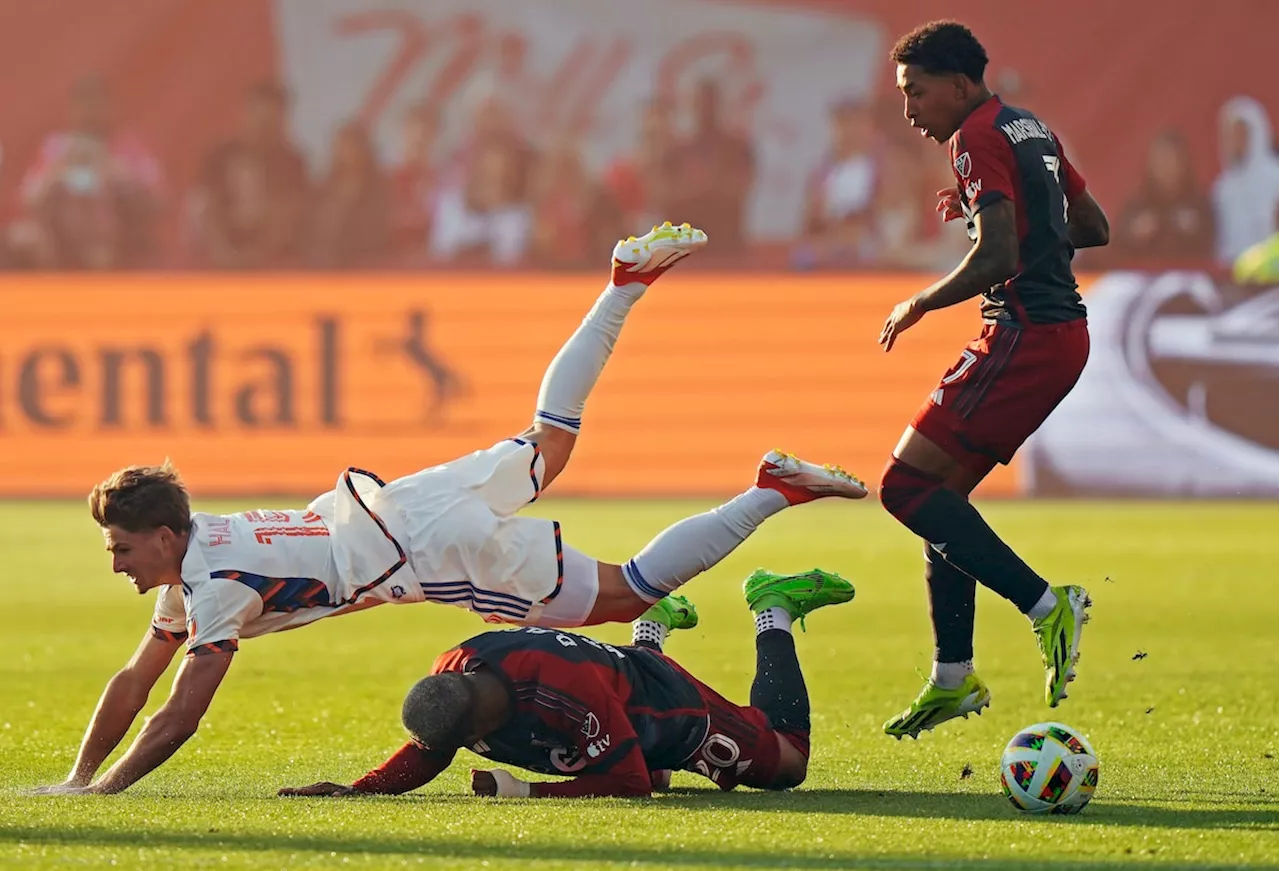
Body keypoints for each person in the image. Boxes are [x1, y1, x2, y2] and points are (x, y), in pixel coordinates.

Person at [29, 222, 868, 795]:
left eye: (123, 547)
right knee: (550, 440)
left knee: (632, 595)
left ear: (167, 534)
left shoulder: (213, 589)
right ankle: (624, 283)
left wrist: (104, 792)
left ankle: (772, 487)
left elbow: (178, 710)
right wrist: (79, 774)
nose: (117, 562)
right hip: (403, 501)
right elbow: (135, 680)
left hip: (425, 554)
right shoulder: (200, 557)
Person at [875, 21, 1110, 739]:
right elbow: (1093, 226)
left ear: (957, 83)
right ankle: (953, 677)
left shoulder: (973, 137)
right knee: (936, 497)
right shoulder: (1025, 125)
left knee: (902, 487)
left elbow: (999, 254)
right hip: (1060, 335)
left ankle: (1048, 605)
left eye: (916, 92)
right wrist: (1000, 214)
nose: (909, 110)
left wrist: (920, 300)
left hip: (1025, 334)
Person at [278, 568, 854, 800]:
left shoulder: (567, 693)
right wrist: (362, 789)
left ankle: (771, 606)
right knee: (621, 758)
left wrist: (521, 792)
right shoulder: (454, 675)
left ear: (479, 725)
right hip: (606, 685)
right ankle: (654, 622)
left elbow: (629, 786)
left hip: (662, 701)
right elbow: (431, 748)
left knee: (785, 766)